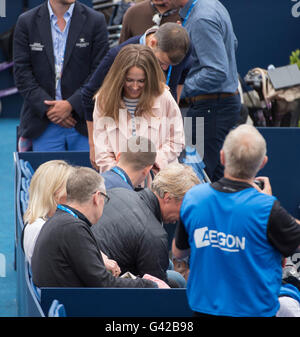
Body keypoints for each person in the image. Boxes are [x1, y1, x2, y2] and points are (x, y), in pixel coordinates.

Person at [172, 124, 300, 317]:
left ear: (222, 157)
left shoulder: (194, 198)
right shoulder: (267, 208)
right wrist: (266, 201)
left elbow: (178, 251)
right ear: (263, 162)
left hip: (204, 311)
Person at [148, 0, 241, 182]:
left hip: (210, 109)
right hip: (216, 107)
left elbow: (216, 70)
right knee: (215, 178)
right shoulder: (209, 5)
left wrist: (176, 89)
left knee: (196, 178)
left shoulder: (201, 18)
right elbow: (233, 45)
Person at [13, 0, 109, 152]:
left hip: (82, 122)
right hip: (42, 123)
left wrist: (70, 105)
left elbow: (100, 73)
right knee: (48, 182)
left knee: (86, 182)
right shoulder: (26, 22)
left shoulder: (95, 21)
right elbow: (22, 75)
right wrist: (51, 109)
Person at [31, 166, 168, 288]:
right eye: (105, 199)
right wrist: (150, 285)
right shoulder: (73, 229)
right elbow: (104, 284)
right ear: (97, 198)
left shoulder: (61, 220)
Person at [81, 22, 191, 169]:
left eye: (141, 81)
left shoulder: (164, 96)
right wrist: (122, 174)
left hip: (159, 179)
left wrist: (150, 162)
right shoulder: (103, 99)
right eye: (129, 80)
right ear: (119, 77)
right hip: (119, 182)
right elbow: (103, 152)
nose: (134, 86)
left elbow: (176, 140)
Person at [92, 163, 200, 286]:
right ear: (167, 197)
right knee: (177, 281)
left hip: (90, 267)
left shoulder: (118, 191)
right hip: (103, 286)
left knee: (171, 269)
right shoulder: (154, 235)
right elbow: (157, 294)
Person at [22, 160, 121, 276]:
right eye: (69, 189)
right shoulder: (41, 229)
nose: (74, 194)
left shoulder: (44, 223)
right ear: (56, 194)